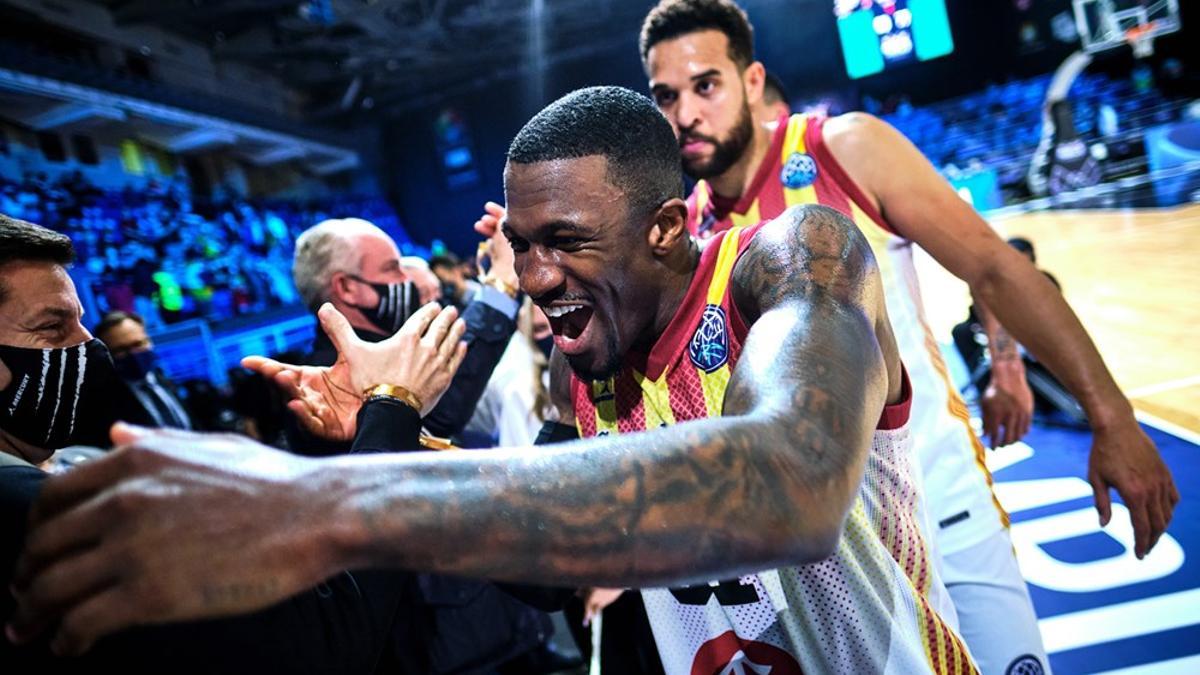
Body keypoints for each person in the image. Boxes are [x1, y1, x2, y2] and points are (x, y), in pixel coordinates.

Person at [12, 86, 974, 674]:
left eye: (566, 241)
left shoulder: (793, 255)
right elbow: (563, 571)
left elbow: (791, 481)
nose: (537, 278)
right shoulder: (584, 362)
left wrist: (321, 499)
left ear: (665, 228)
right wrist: (396, 436)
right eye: (522, 245)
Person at [627, 1, 1178, 672]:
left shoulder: (844, 147)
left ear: (751, 80)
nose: (685, 113)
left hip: (941, 492)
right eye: (666, 96)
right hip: (835, 554)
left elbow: (995, 267)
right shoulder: (683, 235)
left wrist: (1109, 416)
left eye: (705, 85)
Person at [0, 213, 473, 674]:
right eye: (51, 328)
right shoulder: (39, 513)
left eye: (82, 323)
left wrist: (326, 445)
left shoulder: (60, 474)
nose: (88, 346)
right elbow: (326, 638)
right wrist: (393, 403)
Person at [288, 217, 521, 451]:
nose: (408, 279)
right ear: (347, 288)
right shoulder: (329, 382)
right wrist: (501, 282)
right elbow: (442, 406)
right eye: (392, 268)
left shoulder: (391, 344)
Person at [94, 310, 195, 432]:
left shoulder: (169, 382)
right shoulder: (105, 405)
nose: (133, 354)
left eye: (138, 344)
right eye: (121, 349)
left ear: (149, 341)